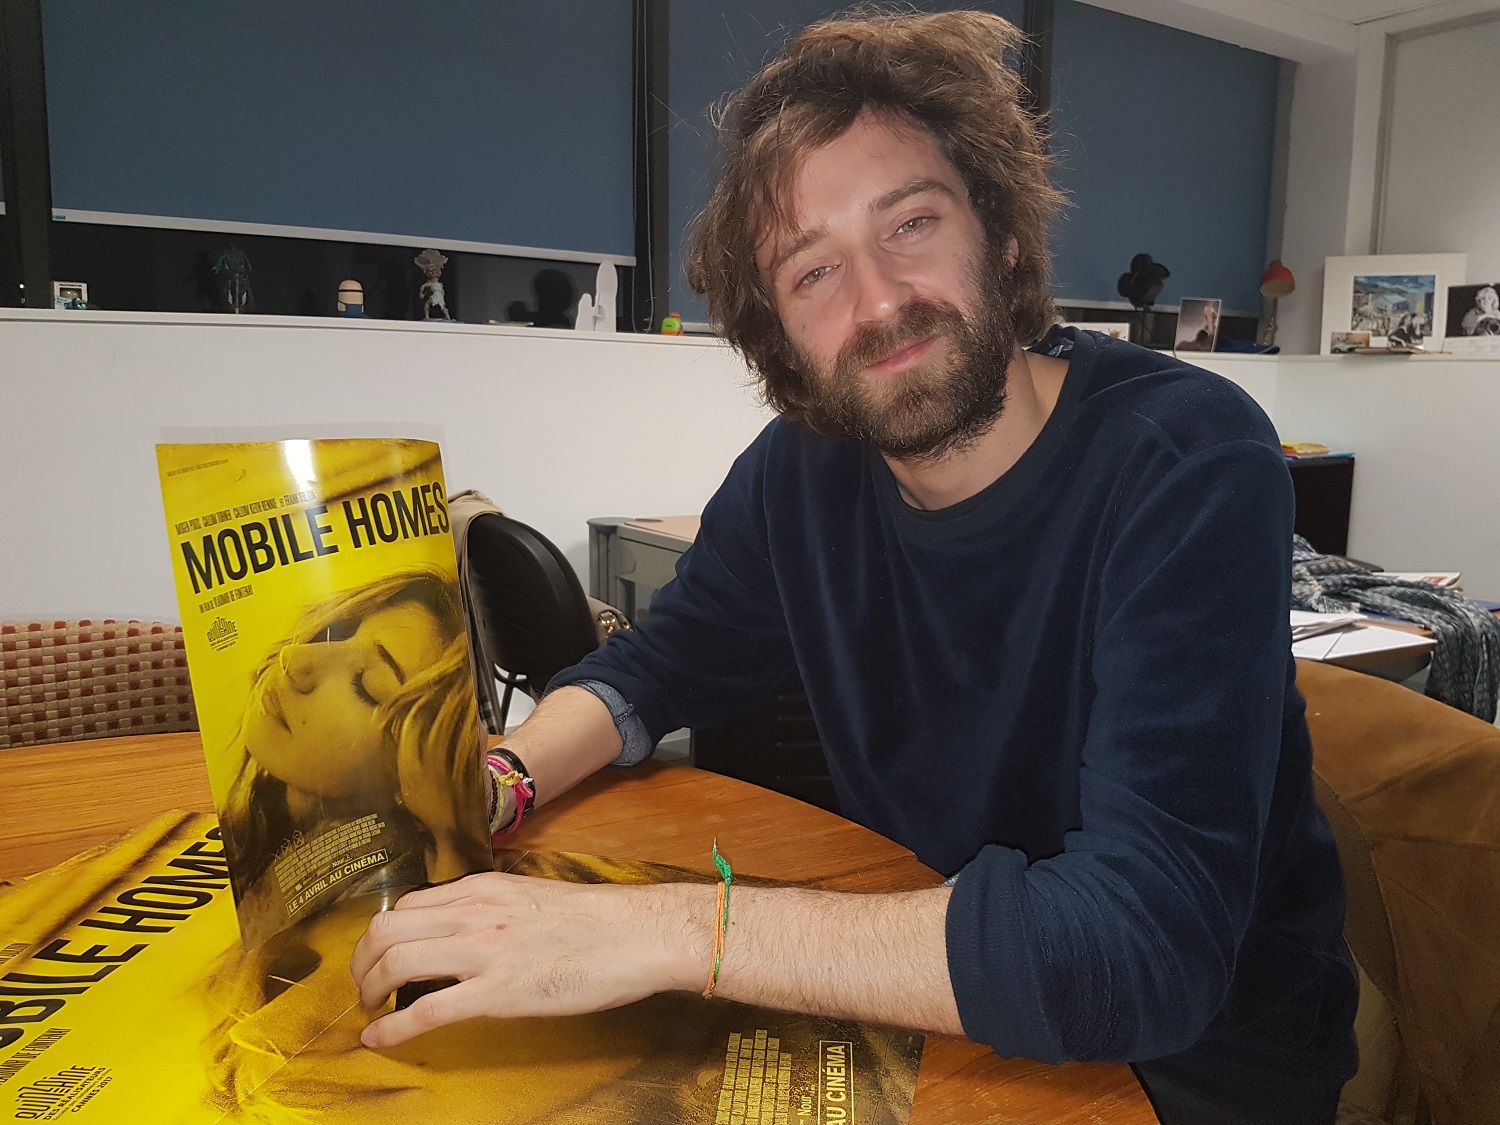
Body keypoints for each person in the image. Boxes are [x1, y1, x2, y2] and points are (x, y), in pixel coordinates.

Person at [349, 12, 1357, 1124]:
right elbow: (659, 666)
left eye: (911, 222)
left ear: (1001, 235)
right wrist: (504, 779)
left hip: (1199, 1055)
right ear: (781, 340)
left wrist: (670, 932)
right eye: (813, 272)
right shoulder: (804, 472)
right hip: (949, 992)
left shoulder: (1185, 458)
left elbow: (1144, 949)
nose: (878, 301)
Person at [223, 568, 490, 944]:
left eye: (368, 686)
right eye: (335, 635)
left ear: (416, 770)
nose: (295, 659)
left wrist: (449, 840)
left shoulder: (388, 889)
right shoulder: (253, 817)